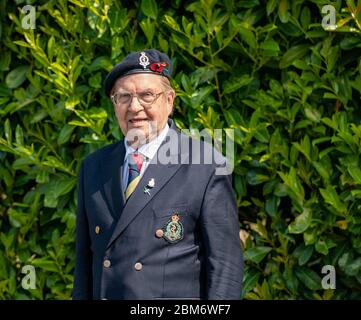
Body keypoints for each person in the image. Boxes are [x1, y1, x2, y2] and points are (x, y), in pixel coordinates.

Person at [72, 49, 243, 300]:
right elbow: (84, 266)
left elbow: (225, 268)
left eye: (147, 95)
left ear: (169, 100)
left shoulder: (205, 165)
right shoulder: (93, 168)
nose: (134, 107)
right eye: (123, 97)